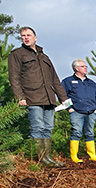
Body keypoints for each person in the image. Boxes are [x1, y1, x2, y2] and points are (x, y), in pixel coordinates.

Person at [8, 26, 68, 168]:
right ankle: (41, 159)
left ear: (35, 38)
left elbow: (55, 79)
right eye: (23, 36)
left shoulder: (44, 57)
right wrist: (19, 97)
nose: (26, 37)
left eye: (29, 35)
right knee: (37, 127)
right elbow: (14, 77)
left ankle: (48, 158)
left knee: (48, 128)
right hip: (32, 97)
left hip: (48, 98)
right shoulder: (17, 54)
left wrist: (63, 98)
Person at [62, 59, 96, 163]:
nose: (86, 68)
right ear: (76, 68)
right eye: (83, 66)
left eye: (85, 66)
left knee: (90, 133)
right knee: (76, 132)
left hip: (91, 112)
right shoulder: (68, 81)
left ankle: (92, 155)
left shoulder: (92, 83)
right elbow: (62, 96)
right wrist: (69, 108)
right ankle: (74, 156)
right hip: (76, 112)